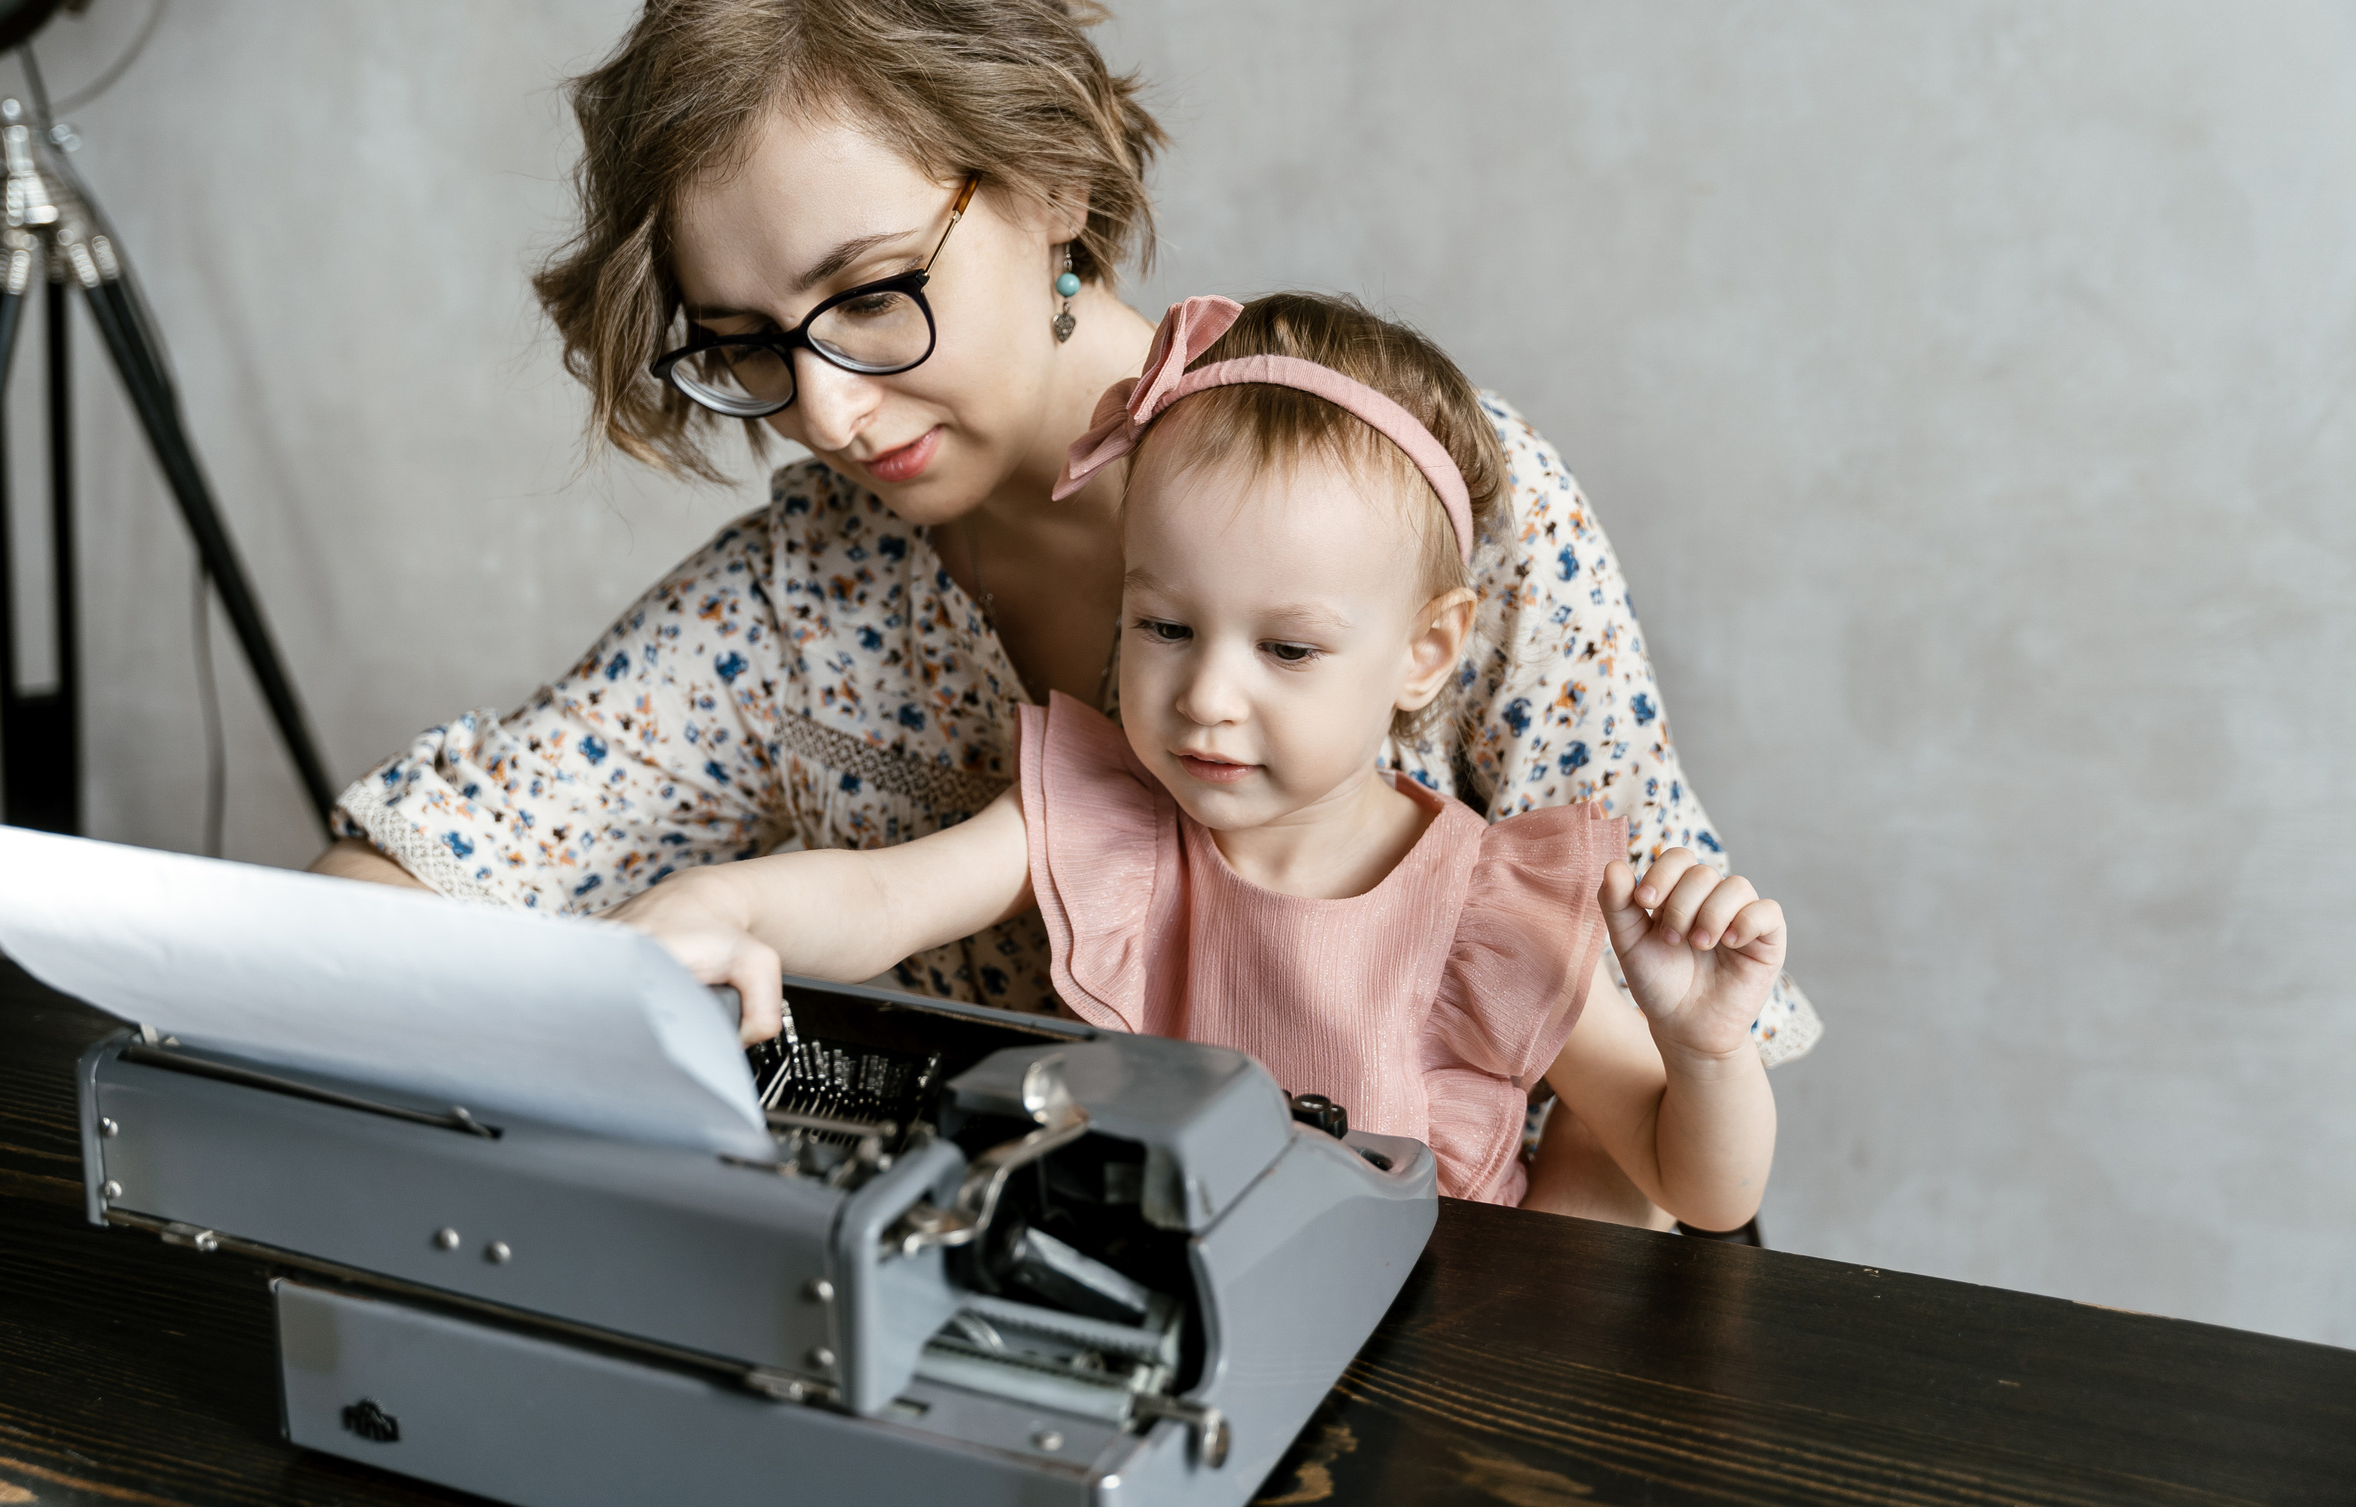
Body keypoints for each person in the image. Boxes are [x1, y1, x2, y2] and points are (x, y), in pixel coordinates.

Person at [312, 0, 1819, 1224]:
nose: (825, 410)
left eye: (872, 291)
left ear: (1054, 185)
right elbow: (425, 870)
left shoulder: (1442, 491)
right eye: (749, 346)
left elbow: (1660, 1135)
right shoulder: (803, 593)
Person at [626, 293, 1784, 1225]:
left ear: (1425, 651)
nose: (1207, 698)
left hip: (1423, 1364)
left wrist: (1706, 1046)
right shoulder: (1110, 816)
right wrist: (718, 904)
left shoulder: (1491, 908)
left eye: (1286, 648)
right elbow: (885, 894)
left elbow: (1701, 1191)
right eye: (1165, 629)